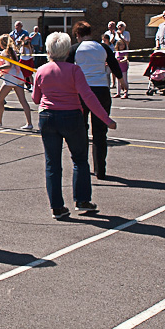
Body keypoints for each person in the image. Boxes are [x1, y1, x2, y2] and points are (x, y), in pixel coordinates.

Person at [32, 32, 116, 219]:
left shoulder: (41, 70)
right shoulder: (74, 70)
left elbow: (36, 99)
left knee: (52, 163)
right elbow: (88, 97)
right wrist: (105, 119)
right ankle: (82, 199)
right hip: (71, 117)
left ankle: (57, 206)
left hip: (47, 117)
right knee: (79, 159)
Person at [67, 21, 122, 180]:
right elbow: (114, 64)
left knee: (81, 129)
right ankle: (100, 170)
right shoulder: (103, 47)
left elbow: (66, 69)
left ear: (77, 34)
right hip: (101, 90)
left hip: (81, 91)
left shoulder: (75, 49)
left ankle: (82, 165)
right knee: (100, 132)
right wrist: (121, 80)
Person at [0, 34, 33, 130]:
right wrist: (0, 75)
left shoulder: (5, 53)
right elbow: (11, 66)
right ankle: (29, 123)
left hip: (11, 79)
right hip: (18, 76)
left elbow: (8, 65)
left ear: (1, 43)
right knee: (23, 100)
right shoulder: (12, 51)